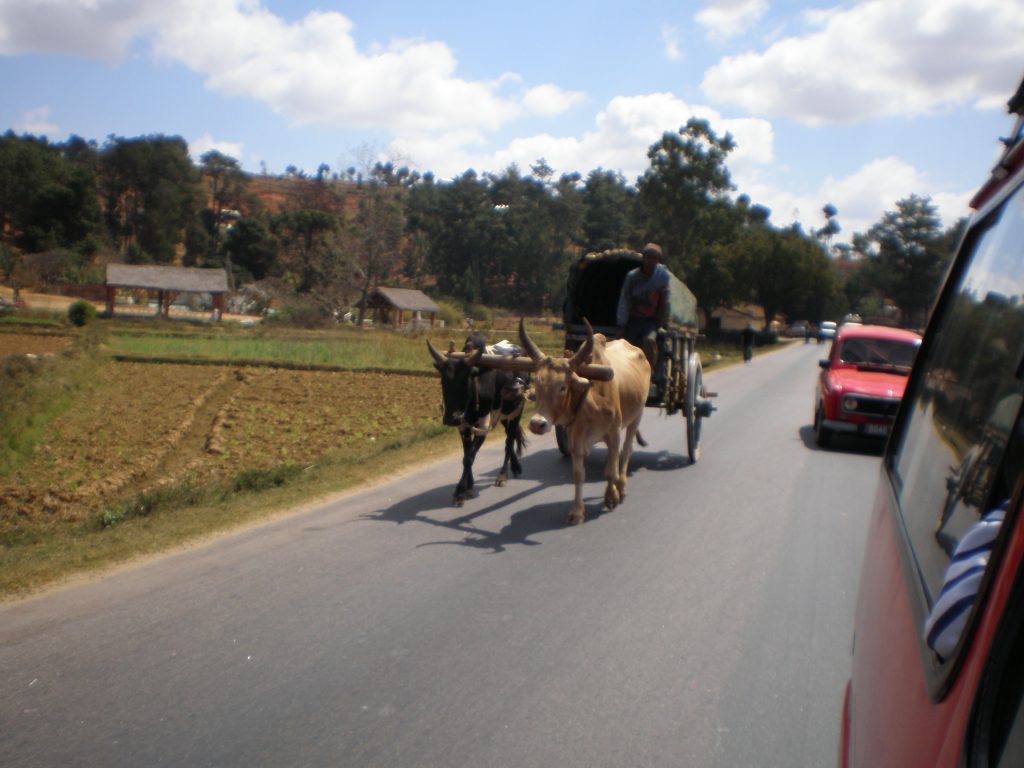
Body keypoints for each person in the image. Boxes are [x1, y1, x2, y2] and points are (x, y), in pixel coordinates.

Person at [617, 243, 670, 396]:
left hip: (650, 322)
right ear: (643, 258)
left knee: (649, 341)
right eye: (648, 257)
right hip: (633, 320)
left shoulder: (662, 277)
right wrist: (622, 323)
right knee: (624, 346)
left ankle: (648, 374)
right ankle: (624, 373)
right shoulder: (632, 277)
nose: (651, 261)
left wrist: (660, 324)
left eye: (655, 258)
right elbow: (624, 300)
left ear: (658, 260)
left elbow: (665, 303)